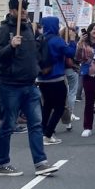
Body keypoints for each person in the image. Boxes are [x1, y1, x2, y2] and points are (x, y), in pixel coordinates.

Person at [0, 0, 60, 177]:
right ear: (12, 11)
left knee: (36, 124)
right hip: (10, 85)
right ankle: (2, 163)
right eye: (20, 10)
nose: (24, 12)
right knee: (8, 125)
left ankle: (40, 162)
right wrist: (10, 47)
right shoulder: (4, 31)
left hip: (29, 84)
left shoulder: (28, 29)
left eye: (25, 9)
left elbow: (33, 54)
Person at [37, 17, 76, 146]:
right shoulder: (56, 40)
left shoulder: (40, 39)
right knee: (59, 107)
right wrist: (72, 39)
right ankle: (48, 134)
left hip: (43, 78)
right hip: (56, 78)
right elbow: (71, 53)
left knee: (47, 106)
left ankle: (43, 132)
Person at [77, 23, 95, 138]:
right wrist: (79, 43)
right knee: (89, 101)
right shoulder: (84, 43)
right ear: (89, 30)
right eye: (94, 29)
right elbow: (77, 58)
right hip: (88, 74)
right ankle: (87, 127)